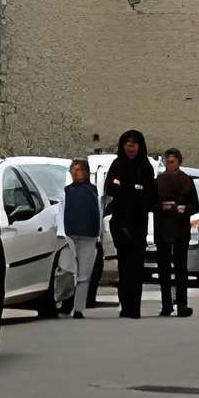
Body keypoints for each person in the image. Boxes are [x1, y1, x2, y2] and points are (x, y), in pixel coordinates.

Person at [102, 129, 156, 317]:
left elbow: (147, 194)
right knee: (123, 265)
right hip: (119, 222)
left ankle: (134, 307)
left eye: (135, 143)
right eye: (127, 143)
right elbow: (111, 187)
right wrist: (131, 189)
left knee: (135, 266)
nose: (131, 147)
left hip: (138, 223)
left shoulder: (145, 167)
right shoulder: (117, 164)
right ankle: (125, 305)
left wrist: (126, 188)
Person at [154, 147, 199, 318]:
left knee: (181, 268)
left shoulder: (186, 181)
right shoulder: (158, 181)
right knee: (164, 269)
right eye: (167, 161)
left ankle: (182, 304)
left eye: (172, 162)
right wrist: (162, 207)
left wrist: (184, 209)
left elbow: (195, 206)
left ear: (178, 162)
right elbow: (152, 203)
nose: (169, 164)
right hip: (163, 228)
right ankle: (166, 305)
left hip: (180, 229)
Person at [56, 158, 102, 315]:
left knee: (84, 274)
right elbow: (60, 212)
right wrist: (61, 233)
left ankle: (79, 308)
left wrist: (99, 235)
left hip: (89, 234)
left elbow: (98, 212)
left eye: (80, 170)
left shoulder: (94, 191)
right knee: (66, 268)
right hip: (70, 234)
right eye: (74, 171)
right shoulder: (66, 191)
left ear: (87, 173)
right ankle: (62, 299)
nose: (77, 174)